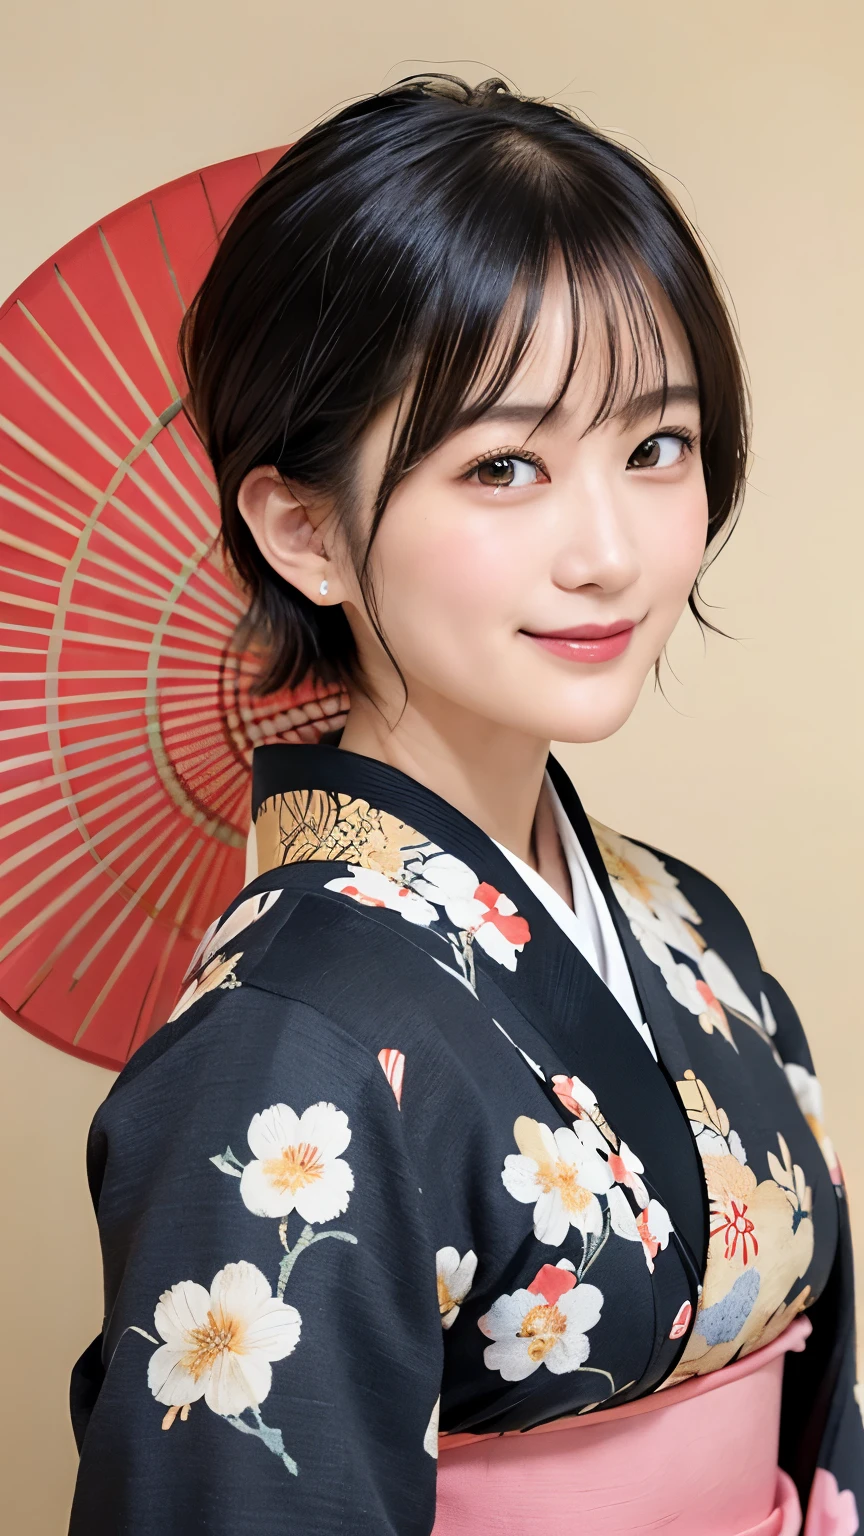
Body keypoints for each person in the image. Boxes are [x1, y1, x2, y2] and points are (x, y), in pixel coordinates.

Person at [68, 74, 862, 1535]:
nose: (612, 551)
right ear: (304, 529)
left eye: (657, 446)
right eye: (506, 465)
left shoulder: (685, 922)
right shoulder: (281, 1052)